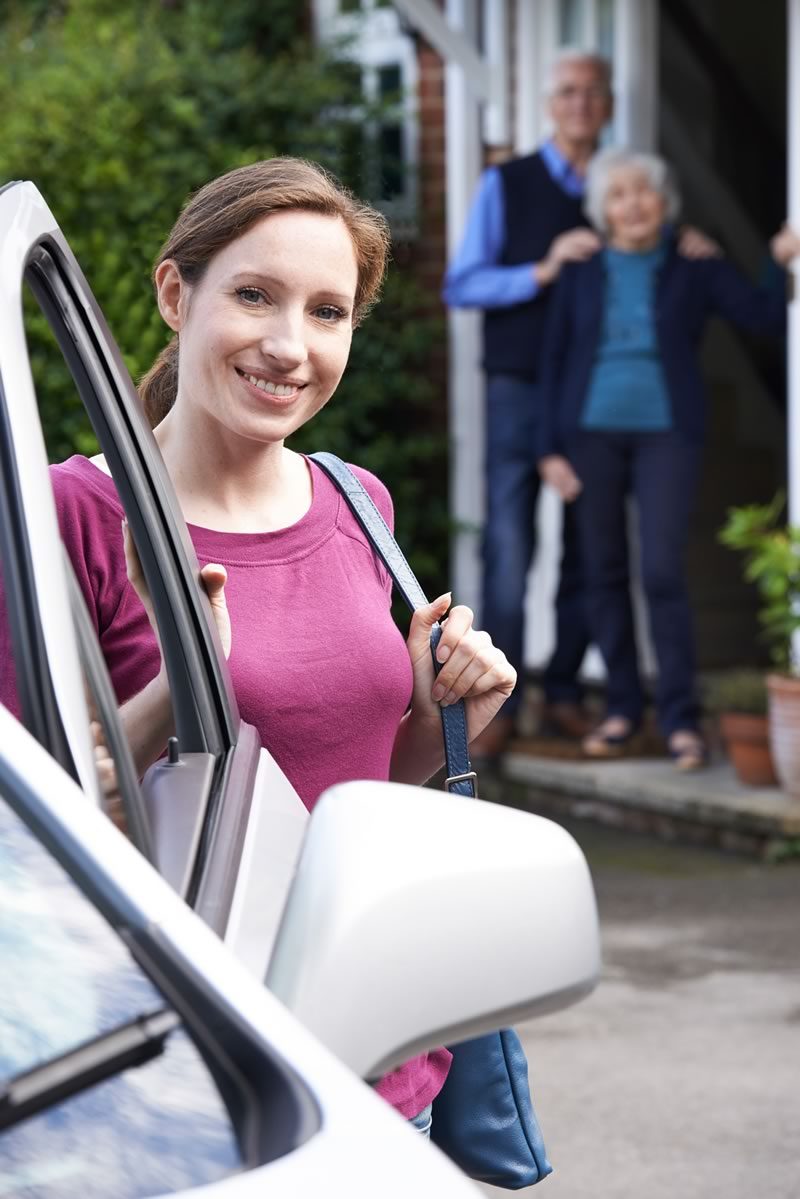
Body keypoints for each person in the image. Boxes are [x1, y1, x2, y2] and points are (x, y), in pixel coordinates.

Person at [13, 158, 516, 1128]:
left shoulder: (355, 500)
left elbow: (347, 793)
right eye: (254, 295)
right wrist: (177, 678)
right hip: (193, 1085)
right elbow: (29, 837)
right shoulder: (68, 514)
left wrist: (444, 714)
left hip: (380, 1065)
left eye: (328, 312)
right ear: (175, 292)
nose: (290, 345)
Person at [443, 48, 716, 757]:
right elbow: (461, 283)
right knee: (510, 546)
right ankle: (492, 705)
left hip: (595, 400)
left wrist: (687, 244)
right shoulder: (510, 183)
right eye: (568, 91)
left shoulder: (628, 190)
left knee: (583, 557)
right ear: (549, 103)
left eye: (593, 92)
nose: (581, 103)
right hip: (520, 388)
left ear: (609, 104)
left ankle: (562, 690)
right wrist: (540, 269)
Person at [537, 147, 797, 769]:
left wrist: (775, 261)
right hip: (589, 433)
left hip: (668, 433)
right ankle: (624, 709)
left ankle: (680, 718)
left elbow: (764, 317)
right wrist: (548, 449)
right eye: (619, 195)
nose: (633, 205)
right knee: (602, 570)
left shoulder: (693, 262)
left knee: (660, 569)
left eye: (644, 192)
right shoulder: (581, 268)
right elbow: (554, 360)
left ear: (664, 202)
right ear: (603, 209)